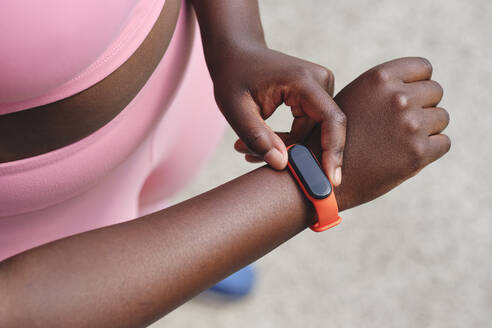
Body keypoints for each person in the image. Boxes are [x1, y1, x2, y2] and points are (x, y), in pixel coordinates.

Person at [0, 0, 450, 326]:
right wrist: (307, 189)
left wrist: (237, 36)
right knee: (132, 267)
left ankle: (181, 244)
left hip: (185, 89)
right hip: (39, 240)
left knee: (159, 201)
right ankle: (178, 265)